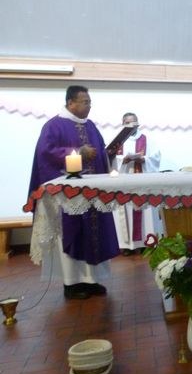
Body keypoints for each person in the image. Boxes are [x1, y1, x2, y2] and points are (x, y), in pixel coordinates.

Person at [27, 85, 119, 300]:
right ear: (71, 103)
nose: (89, 106)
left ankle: (91, 280)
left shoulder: (91, 126)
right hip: (68, 197)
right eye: (85, 102)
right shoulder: (54, 126)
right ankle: (71, 284)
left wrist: (109, 153)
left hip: (93, 194)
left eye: (90, 102)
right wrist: (77, 152)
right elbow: (45, 154)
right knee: (72, 234)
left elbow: (100, 154)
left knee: (94, 234)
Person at [112, 112, 163, 255]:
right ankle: (127, 246)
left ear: (138, 124)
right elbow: (110, 157)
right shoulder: (117, 141)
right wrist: (123, 160)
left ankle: (146, 243)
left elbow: (156, 157)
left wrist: (144, 159)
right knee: (126, 212)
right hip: (124, 184)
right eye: (127, 123)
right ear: (123, 124)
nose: (131, 125)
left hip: (142, 184)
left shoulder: (146, 139)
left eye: (134, 122)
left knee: (145, 213)